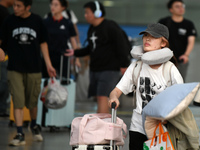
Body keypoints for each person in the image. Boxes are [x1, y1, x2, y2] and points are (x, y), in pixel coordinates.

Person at [108, 23, 183, 150]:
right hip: (137, 127)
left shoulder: (170, 69)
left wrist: (167, 116)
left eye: (153, 37)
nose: (147, 39)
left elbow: (181, 97)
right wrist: (113, 97)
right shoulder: (136, 66)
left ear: (163, 43)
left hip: (162, 127)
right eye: (145, 35)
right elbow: (116, 90)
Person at [0, 0, 56, 146]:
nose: (15, 8)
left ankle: (33, 125)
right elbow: (2, 41)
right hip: (14, 69)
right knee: (18, 101)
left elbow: (43, 43)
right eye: (14, 5)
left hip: (34, 69)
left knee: (32, 103)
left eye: (19, 6)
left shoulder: (37, 21)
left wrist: (49, 65)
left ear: (28, 7)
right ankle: (20, 133)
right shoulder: (9, 21)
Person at [66, 1, 130, 113]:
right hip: (95, 68)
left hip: (109, 69)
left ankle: (102, 126)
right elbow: (91, 48)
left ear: (97, 13)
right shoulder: (92, 28)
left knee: (103, 97)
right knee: (99, 97)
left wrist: (124, 65)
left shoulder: (110, 26)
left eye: (87, 13)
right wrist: (76, 53)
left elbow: (122, 46)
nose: (85, 15)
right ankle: (101, 124)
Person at [158, 0, 197, 81]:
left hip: (181, 59)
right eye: (177, 6)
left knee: (179, 82)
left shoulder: (188, 24)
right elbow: (157, 38)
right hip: (165, 59)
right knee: (163, 82)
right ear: (171, 9)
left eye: (182, 6)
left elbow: (191, 41)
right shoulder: (164, 22)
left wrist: (186, 55)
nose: (181, 8)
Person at [42, 0, 78, 79]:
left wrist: (77, 59)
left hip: (63, 58)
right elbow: (42, 42)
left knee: (64, 82)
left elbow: (73, 41)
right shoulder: (45, 22)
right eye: (51, 4)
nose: (53, 7)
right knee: (46, 82)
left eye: (56, 5)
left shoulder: (68, 23)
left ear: (63, 7)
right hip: (48, 57)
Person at [0, 0, 14, 117]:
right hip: (3, 53)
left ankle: (2, 107)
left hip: (5, 53)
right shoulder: (3, 13)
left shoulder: (6, 13)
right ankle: (2, 107)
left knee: (4, 81)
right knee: (3, 81)